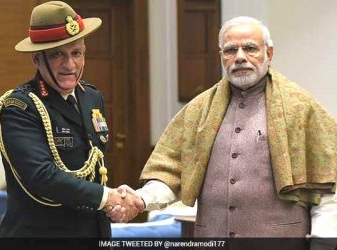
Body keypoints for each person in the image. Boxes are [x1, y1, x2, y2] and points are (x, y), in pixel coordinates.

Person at [109, 16, 337, 249]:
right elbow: (170, 172)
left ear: (269, 54)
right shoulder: (199, 110)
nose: (239, 57)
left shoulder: (301, 109)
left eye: (250, 48)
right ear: (221, 57)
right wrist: (142, 198)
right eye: (230, 50)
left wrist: (324, 243)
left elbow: (327, 189)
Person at [0, 1, 143, 238]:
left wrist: (116, 200)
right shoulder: (20, 106)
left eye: (77, 53)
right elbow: (42, 176)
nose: (70, 65)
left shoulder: (92, 97)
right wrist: (107, 198)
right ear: (37, 59)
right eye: (57, 55)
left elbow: (94, 167)